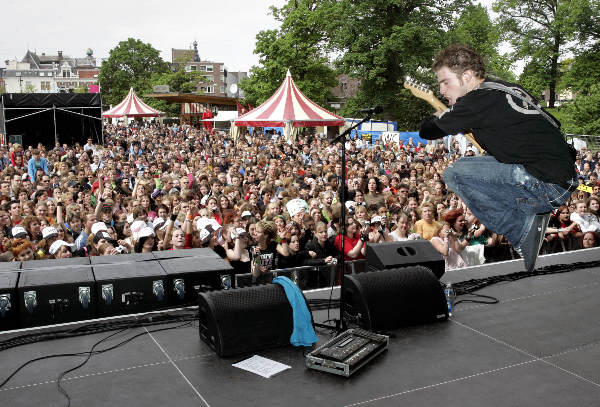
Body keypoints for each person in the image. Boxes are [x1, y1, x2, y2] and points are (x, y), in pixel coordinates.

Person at [419, 44, 576, 272]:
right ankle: (530, 215)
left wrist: (440, 112)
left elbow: (427, 131)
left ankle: (521, 227)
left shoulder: (474, 102)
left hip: (544, 182)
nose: (442, 90)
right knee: (478, 169)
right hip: (561, 178)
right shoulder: (504, 88)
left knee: (453, 174)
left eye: (446, 82)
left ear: (467, 76)